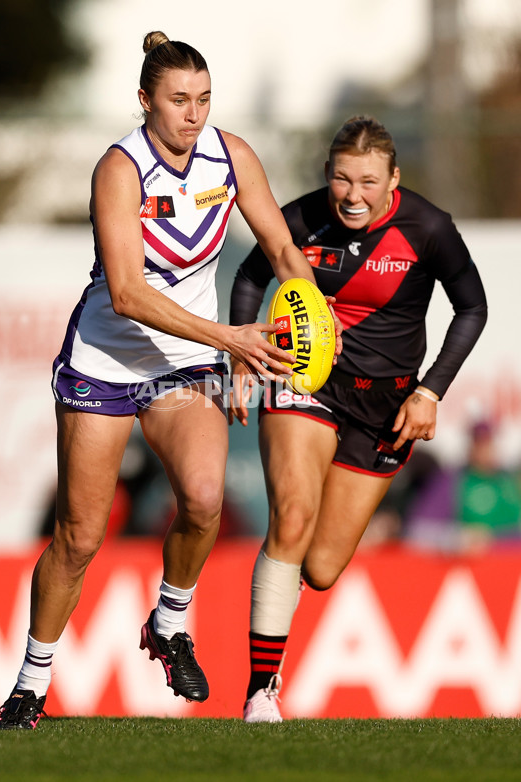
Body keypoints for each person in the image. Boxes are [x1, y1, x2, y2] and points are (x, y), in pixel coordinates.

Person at [0, 30, 334, 730]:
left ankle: (169, 621)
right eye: (179, 100)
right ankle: (30, 685)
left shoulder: (231, 155)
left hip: (184, 365)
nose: (194, 115)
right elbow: (126, 292)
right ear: (144, 100)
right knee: (81, 537)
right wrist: (231, 340)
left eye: (204, 100)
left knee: (205, 499)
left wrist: (313, 320)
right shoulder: (120, 169)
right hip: (109, 361)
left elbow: (278, 247)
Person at [229, 115, 488, 722]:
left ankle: (279, 598)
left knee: (318, 568)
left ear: (393, 178)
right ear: (328, 175)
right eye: (342, 179)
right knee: (291, 517)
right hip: (306, 382)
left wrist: (431, 392)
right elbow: (250, 273)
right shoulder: (302, 215)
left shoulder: (429, 228)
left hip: (387, 408)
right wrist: (239, 350)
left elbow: (473, 307)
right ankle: (261, 691)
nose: (352, 195)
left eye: (368, 181)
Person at [406, 418, 521, 551]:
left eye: (488, 442)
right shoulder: (452, 480)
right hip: (474, 565)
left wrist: (494, 537)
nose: (484, 449)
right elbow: (418, 529)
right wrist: (457, 538)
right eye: (479, 443)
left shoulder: (511, 481)